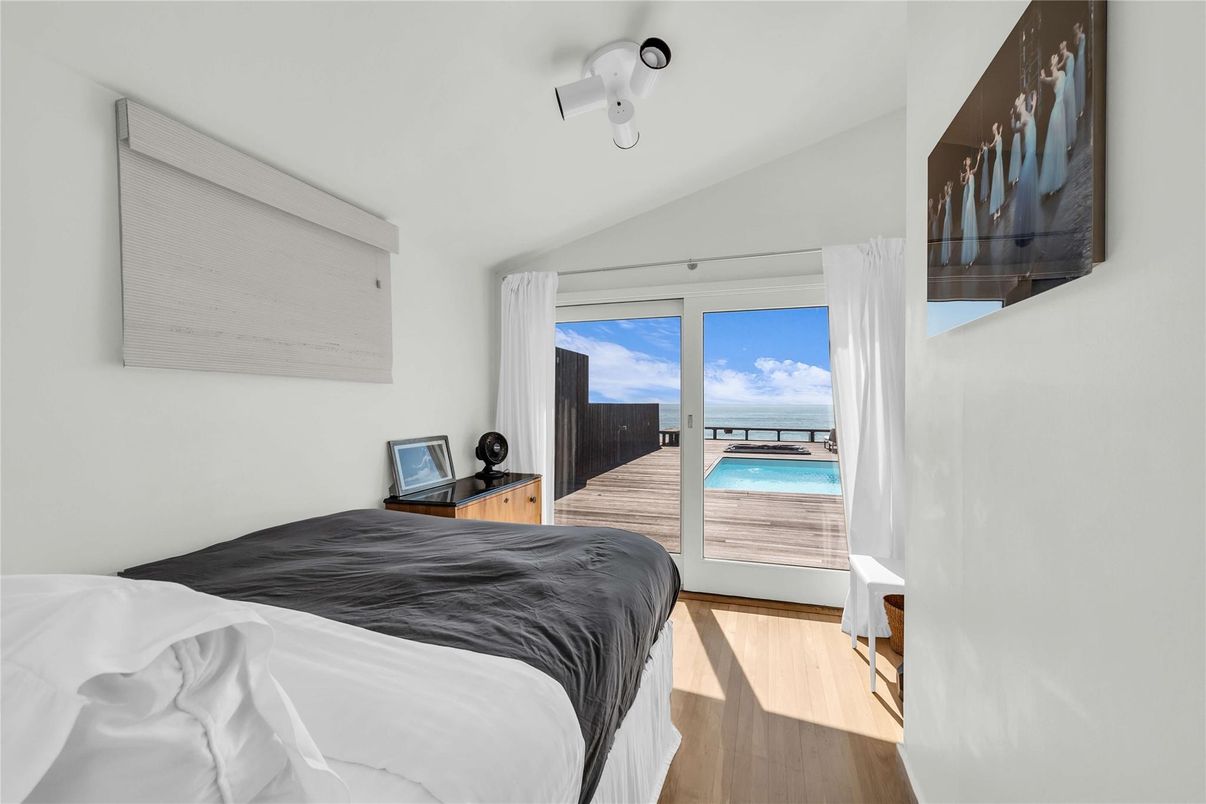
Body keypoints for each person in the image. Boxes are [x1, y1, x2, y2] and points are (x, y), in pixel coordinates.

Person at [1038, 55, 1069, 195]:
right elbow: (1048, 80)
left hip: (1061, 109)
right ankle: (1053, 181)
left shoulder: (1061, 73)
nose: (1055, 56)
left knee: (1059, 142)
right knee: (1056, 142)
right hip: (1056, 112)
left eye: (1055, 56)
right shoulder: (1056, 77)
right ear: (1052, 64)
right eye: (1053, 57)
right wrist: (1043, 77)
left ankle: (1058, 177)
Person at [1012, 93, 1040, 247]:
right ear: (1019, 104)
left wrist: (1034, 103)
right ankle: (1024, 232)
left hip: (1032, 157)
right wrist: (1012, 119)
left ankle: (1028, 229)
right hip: (1029, 157)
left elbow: (1032, 116)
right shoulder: (1023, 118)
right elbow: (1016, 129)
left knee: (1029, 193)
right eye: (1019, 97)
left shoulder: (1027, 114)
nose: (1021, 96)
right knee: (1027, 191)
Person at [960, 151, 981, 266]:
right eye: (967, 159)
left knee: (971, 223)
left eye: (969, 159)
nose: (968, 160)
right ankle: (970, 255)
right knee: (969, 223)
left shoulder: (971, 171)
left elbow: (976, 169)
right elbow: (963, 183)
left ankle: (972, 255)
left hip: (971, 200)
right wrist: (962, 177)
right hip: (969, 201)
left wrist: (978, 159)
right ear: (966, 163)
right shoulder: (968, 173)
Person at [1057, 41, 1078, 148]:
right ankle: (1069, 137)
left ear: (1062, 49)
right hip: (1070, 80)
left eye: (1060, 49)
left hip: (1068, 82)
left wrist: (1054, 66)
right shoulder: (1070, 54)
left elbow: (1060, 66)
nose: (1061, 52)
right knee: (1069, 106)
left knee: (1067, 107)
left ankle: (1067, 140)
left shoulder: (1066, 55)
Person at [989, 122, 1006, 220]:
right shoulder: (996, 138)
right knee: (996, 184)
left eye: (996, 128)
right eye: (995, 128)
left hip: (1000, 161)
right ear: (993, 130)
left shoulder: (998, 136)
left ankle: (998, 210)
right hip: (997, 162)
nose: (995, 129)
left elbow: (999, 137)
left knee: (999, 184)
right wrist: (987, 146)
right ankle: (996, 210)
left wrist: (1001, 131)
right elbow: (992, 145)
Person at [1007, 96, 1023, 186]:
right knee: (1016, 156)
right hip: (1016, 138)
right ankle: (1015, 176)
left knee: (1018, 156)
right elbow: (1014, 129)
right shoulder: (1013, 119)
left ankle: (1018, 175)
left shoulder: (1018, 117)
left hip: (1018, 138)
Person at [1073, 22, 1087, 119]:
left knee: (1079, 81)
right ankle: (1079, 107)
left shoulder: (1080, 36)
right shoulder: (1080, 36)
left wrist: (1077, 33)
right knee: (1079, 81)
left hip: (1080, 59)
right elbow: (1077, 44)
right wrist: (1077, 33)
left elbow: (1077, 43)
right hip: (1080, 59)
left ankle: (1080, 107)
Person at [941, 181, 953, 266]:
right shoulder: (947, 194)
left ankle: (947, 257)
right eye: (947, 184)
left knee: (947, 231)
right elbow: (944, 201)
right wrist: (941, 200)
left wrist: (945, 190)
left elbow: (947, 196)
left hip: (947, 217)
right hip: (946, 216)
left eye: (948, 185)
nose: (947, 185)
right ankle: (946, 257)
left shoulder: (949, 192)